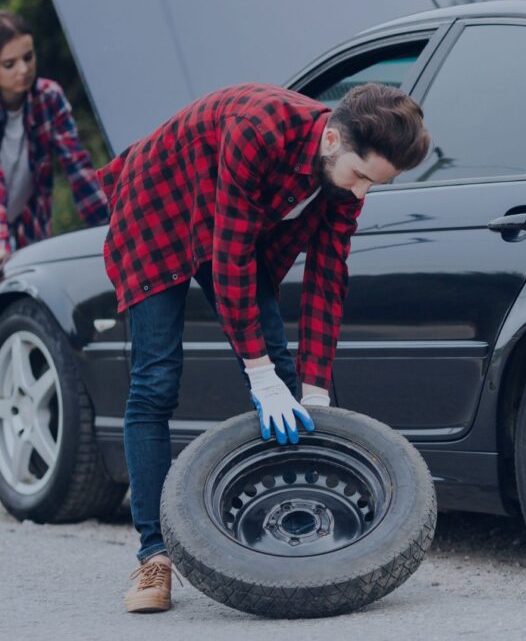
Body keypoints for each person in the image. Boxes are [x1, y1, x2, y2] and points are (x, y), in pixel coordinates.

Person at [99, 82, 430, 613]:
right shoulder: (259, 131)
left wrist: (316, 388)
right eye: (362, 176)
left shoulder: (344, 183)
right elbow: (230, 260)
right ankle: (154, 555)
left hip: (226, 221)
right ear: (331, 140)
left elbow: (328, 278)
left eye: (377, 184)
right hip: (158, 204)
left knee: (284, 377)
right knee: (156, 380)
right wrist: (260, 376)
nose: (363, 193)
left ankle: (291, 537)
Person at [0, 10, 108, 505]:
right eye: (9, 63)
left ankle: (8, 452)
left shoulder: (49, 99)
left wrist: (111, 226)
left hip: (2, 239)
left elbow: (77, 167)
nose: (22, 70)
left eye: (27, 58)